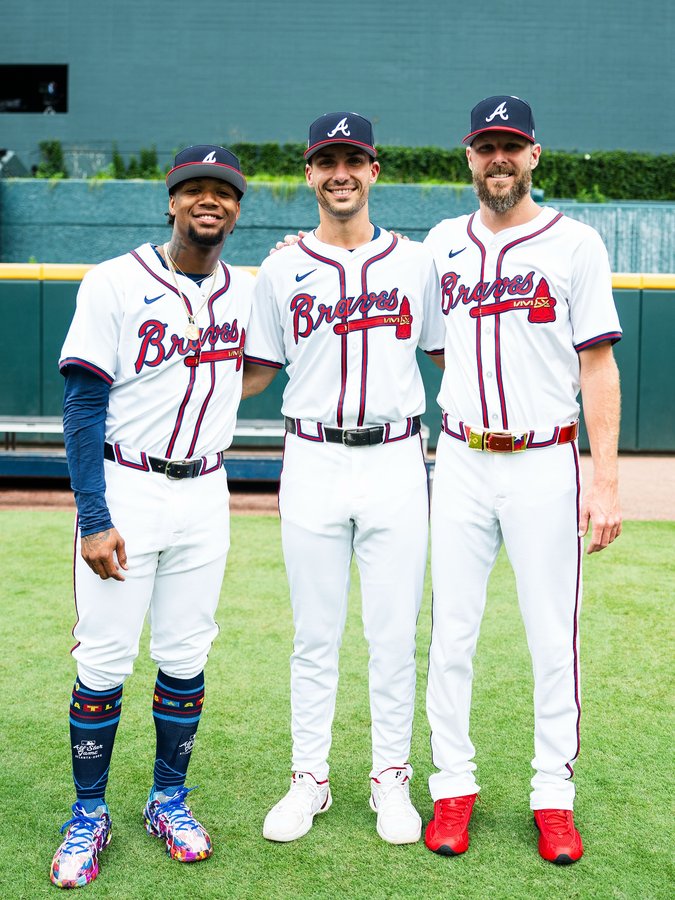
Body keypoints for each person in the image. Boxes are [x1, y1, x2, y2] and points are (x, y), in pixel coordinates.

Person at [422, 95, 622, 864]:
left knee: (551, 639)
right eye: (486, 146)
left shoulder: (574, 243)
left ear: (533, 154)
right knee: (451, 634)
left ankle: (552, 796)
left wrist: (604, 482)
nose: (498, 158)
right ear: (469, 156)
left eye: (510, 145)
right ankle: (452, 787)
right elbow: (436, 345)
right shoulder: (442, 244)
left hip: (544, 459)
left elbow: (596, 365)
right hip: (461, 459)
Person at [50, 145, 253, 888]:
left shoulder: (247, 291)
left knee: (186, 653)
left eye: (223, 191)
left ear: (237, 209)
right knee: (104, 659)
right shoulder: (113, 281)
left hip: (205, 488)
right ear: (171, 202)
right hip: (127, 483)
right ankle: (87, 813)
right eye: (194, 189)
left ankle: (168, 798)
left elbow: (265, 359)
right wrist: (93, 516)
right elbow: (82, 405)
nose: (209, 201)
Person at [242, 112, 445, 845]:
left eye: (352, 160)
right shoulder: (279, 268)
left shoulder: (416, 264)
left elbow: (450, 355)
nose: (340, 173)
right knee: (314, 634)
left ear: (373, 171)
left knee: (393, 635)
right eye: (327, 161)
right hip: (312, 456)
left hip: (395, 456)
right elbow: (256, 372)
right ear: (309, 174)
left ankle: (391, 778)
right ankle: (310, 778)